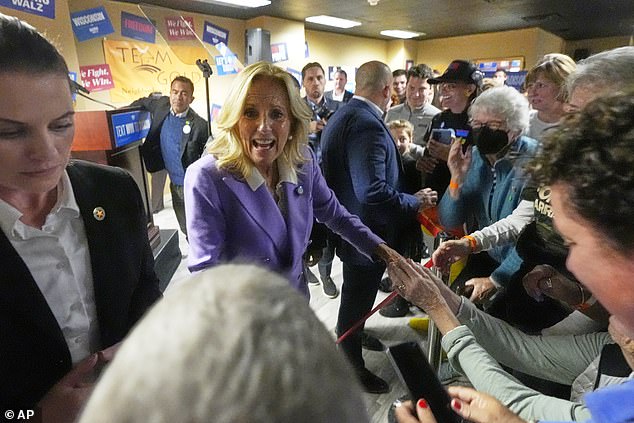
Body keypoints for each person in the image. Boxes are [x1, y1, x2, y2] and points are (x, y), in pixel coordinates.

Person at [391, 91, 634, 423]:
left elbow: (524, 405)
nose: (571, 263)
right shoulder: (612, 344)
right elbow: (527, 351)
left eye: (575, 243)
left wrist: (445, 305)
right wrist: (445, 298)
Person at [0, 14, 161, 420]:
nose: (47, 152)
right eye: (10, 132)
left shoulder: (116, 191)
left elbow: (144, 292)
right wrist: (34, 416)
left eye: (61, 125)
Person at [184, 61, 402, 299]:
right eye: (250, 113)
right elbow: (206, 276)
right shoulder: (207, 178)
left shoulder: (302, 161)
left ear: (292, 123)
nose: (264, 127)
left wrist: (386, 254)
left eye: (277, 114)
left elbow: (336, 215)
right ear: (234, 119)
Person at [78, 264, 369, 423]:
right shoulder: (205, 178)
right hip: (234, 329)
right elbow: (207, 265)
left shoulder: (301, 170)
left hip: (288, 325)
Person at [321, 60, 437, 393]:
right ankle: (351, 364)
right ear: (387, 89)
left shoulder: (342, 115)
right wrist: (415, 200)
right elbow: (371, 191)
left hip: (349, 225)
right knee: (357, 299)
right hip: (367, 233)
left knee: (357, 297)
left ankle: (353, 336)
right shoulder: (367, 124)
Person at [437, 86, 536, 310]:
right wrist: (456, 179)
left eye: (493, 125)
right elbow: (449, 220)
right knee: (454, 303)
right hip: (485, 251)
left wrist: (498, 278)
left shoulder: (534, 161)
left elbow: (532, 233)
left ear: (516, 129)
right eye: (478, 125)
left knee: (496, 318)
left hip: (523, 263)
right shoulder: (475, 159)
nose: (483, 131)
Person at [131, 76, 209, 237]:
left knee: (200, 228)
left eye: (184, 93)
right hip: (175, 186)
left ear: (191, 99)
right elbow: (143, 101)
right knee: (185, 228)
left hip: (193, 187)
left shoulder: (200, 126)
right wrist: (124, 110)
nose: (178, 97)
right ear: (170, 93)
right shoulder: (161, 105)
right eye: (175, 92)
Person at [301, 61, 341, 298]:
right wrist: (307, 127)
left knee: (328, 231)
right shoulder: (294, 110)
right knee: (302, 229)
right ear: (304, 82)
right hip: (302, 182)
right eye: (310, 79)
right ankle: (304, 270)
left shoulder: (338, 108)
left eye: (319, 78)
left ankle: (326, 275)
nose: (315, 83)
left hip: (331, 181)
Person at [419, 60, 482, 198]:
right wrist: (423, 163)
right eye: (442, 85)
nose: (443, 89)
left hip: (463, 199)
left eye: (451, 86)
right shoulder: (438, 119)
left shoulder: (481, 123)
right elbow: (427, 153)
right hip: (434, 196)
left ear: (469, 89)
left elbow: (484, 169)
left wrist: (450, 157)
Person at [386, 64, 441, 146]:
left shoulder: (437, 117)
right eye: (411, 88)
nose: (416, 94)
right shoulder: (392, 112)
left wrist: (409, 148)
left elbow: (435, 152)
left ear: (430, 90)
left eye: (422, 89)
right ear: (406, 86)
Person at [524, 53, 576, 140]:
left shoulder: (579, 128)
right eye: (530, 85)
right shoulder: (521, 123)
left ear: (564, 86)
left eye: (541, 85)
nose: (532, 92)